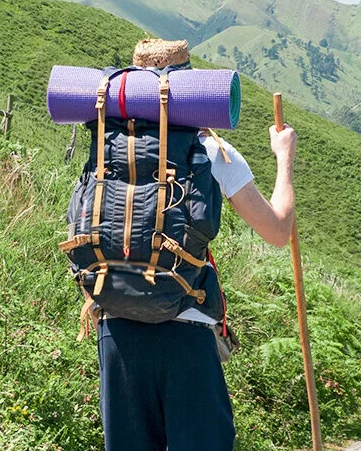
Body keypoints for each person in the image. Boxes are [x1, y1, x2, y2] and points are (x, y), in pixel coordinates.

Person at [95, 39, 298, 451]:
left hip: (115, 327)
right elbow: (278, 232)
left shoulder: (108, 147)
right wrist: (284, 159)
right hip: (185, 333)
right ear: (188, 90)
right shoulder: (211, 150)